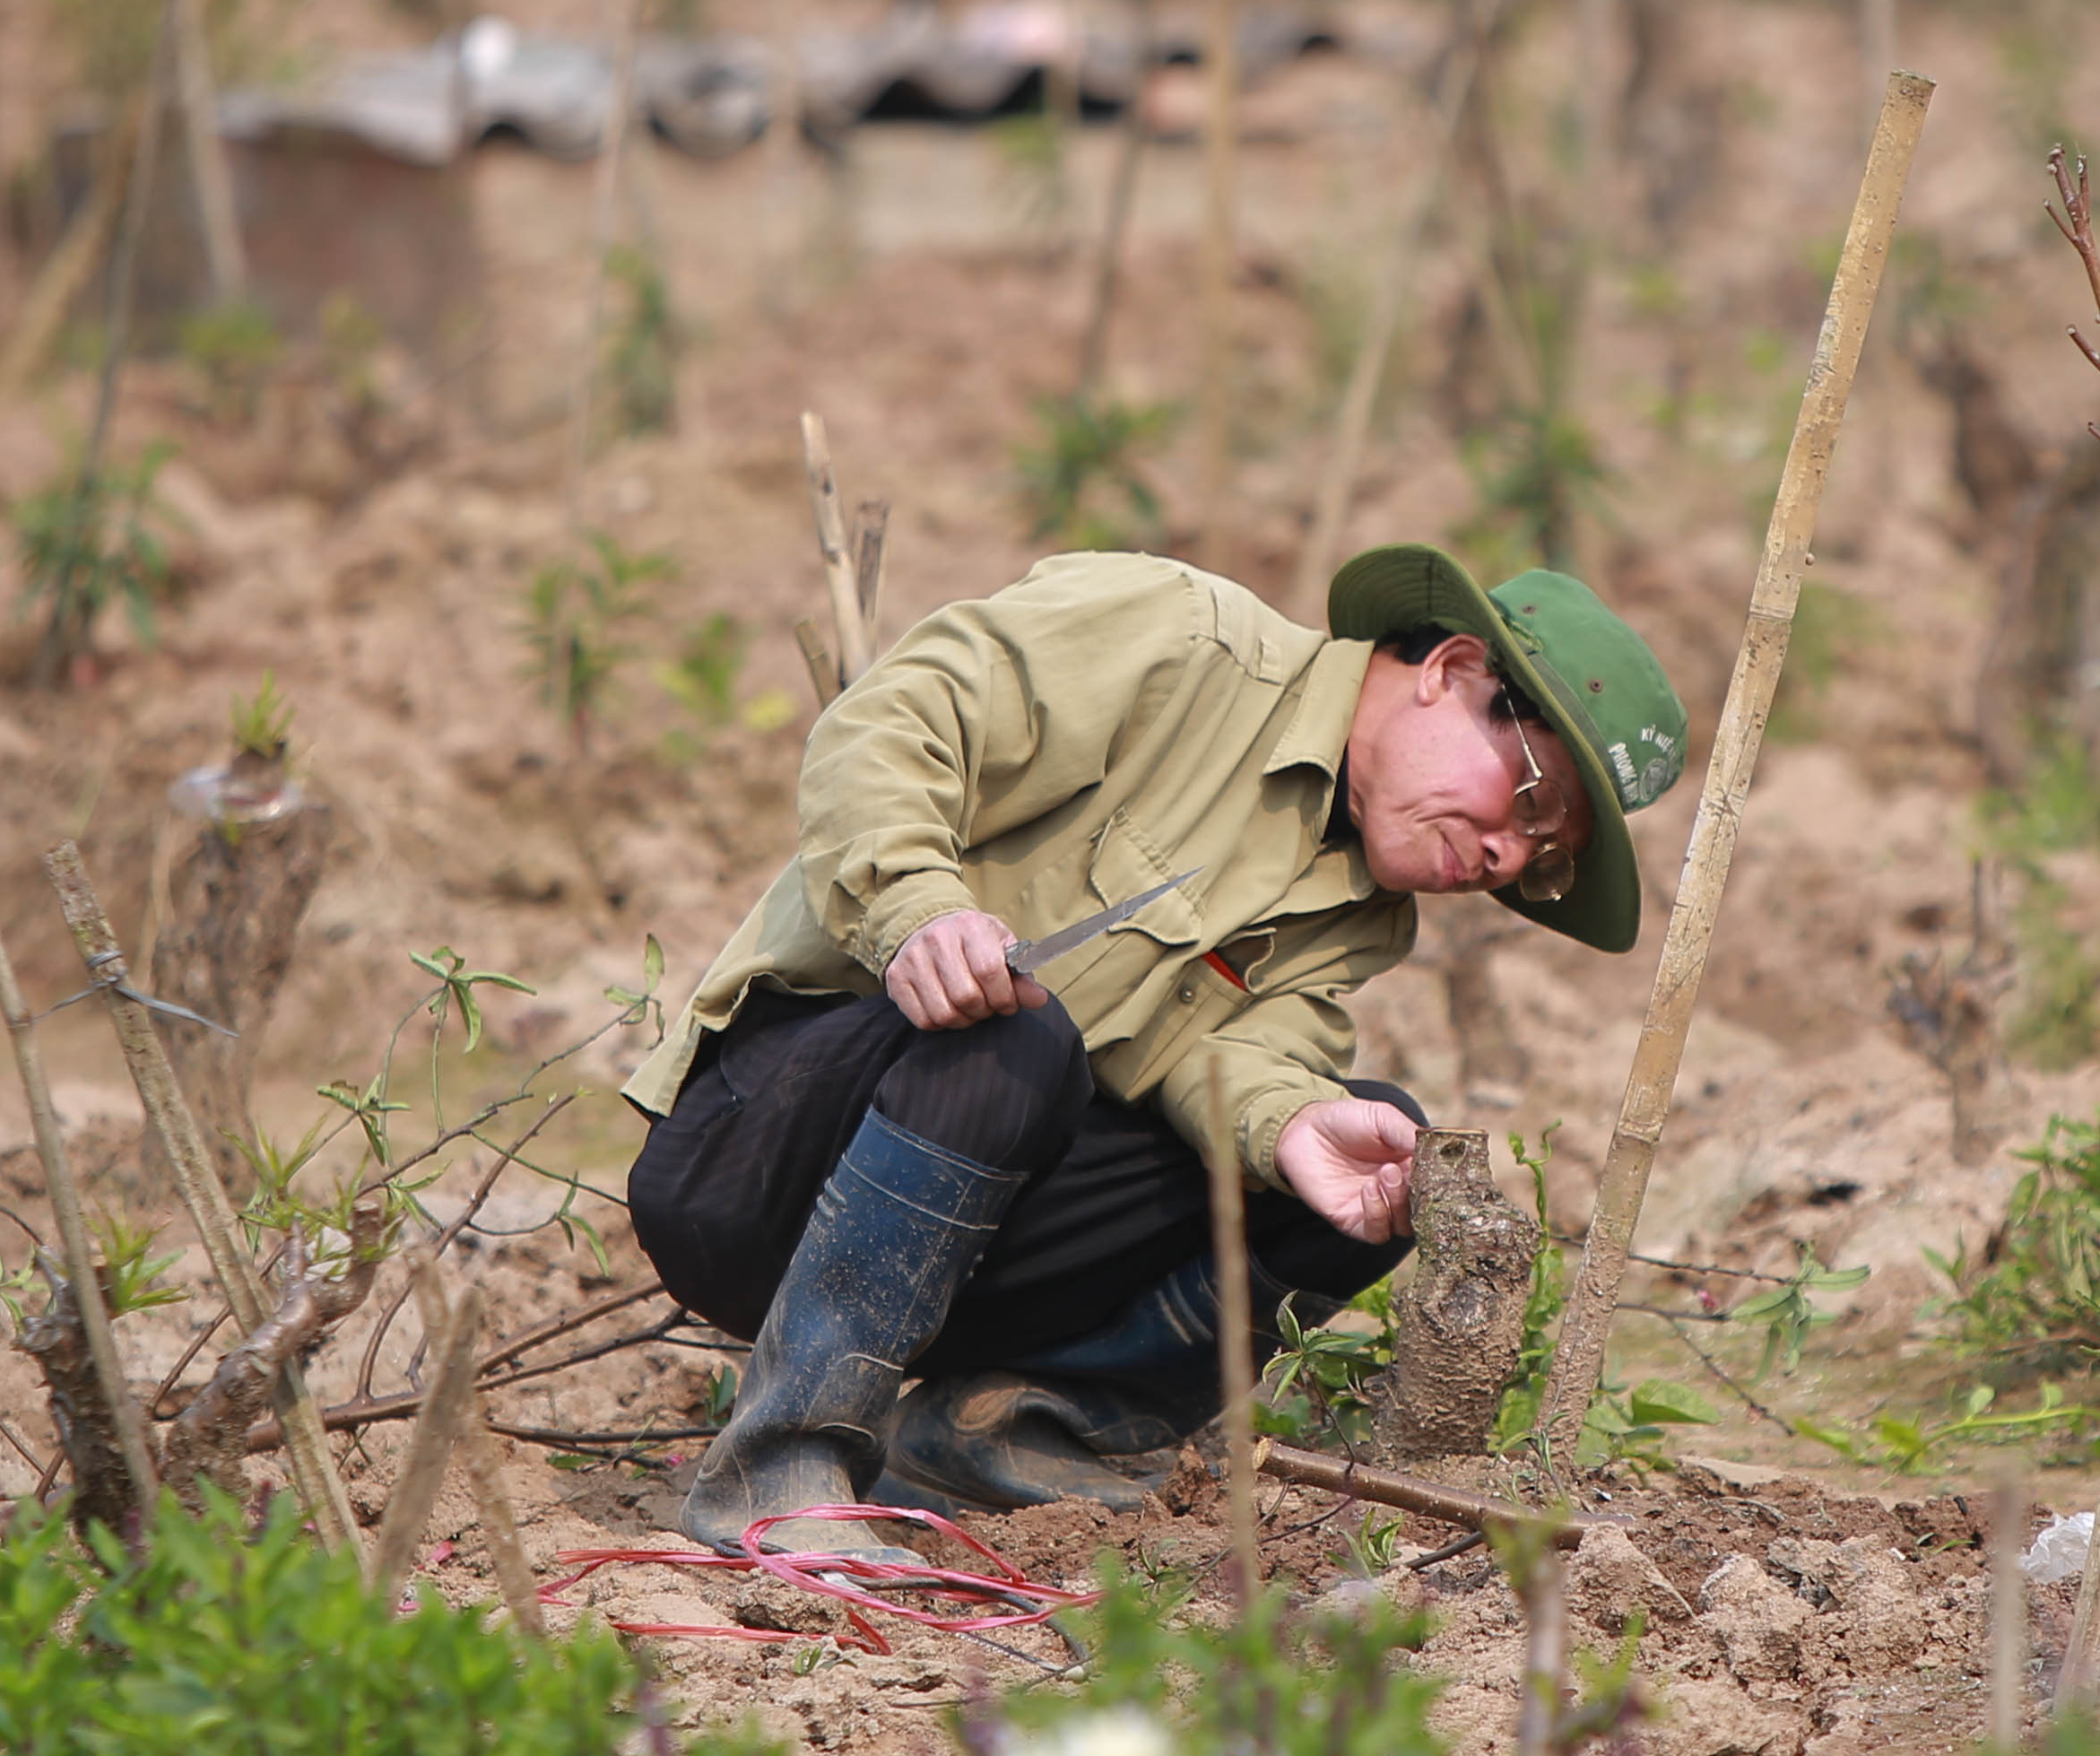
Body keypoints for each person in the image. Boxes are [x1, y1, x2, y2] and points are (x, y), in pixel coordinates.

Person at [620, 543, 1687, 1552]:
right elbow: (896, 721)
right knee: (1020, 1036)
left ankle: (1002, 1438)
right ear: (1449, 671)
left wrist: (1291, 1126)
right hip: (756, 1160)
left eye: (1540, 860)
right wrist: (918, 911)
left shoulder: (1360, 919)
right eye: (1531, 801)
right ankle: (776, 1470)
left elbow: (1226, 1058)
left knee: (1363, 1159)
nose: (1505, 853)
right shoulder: (1183, 643)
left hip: (961, 1247)